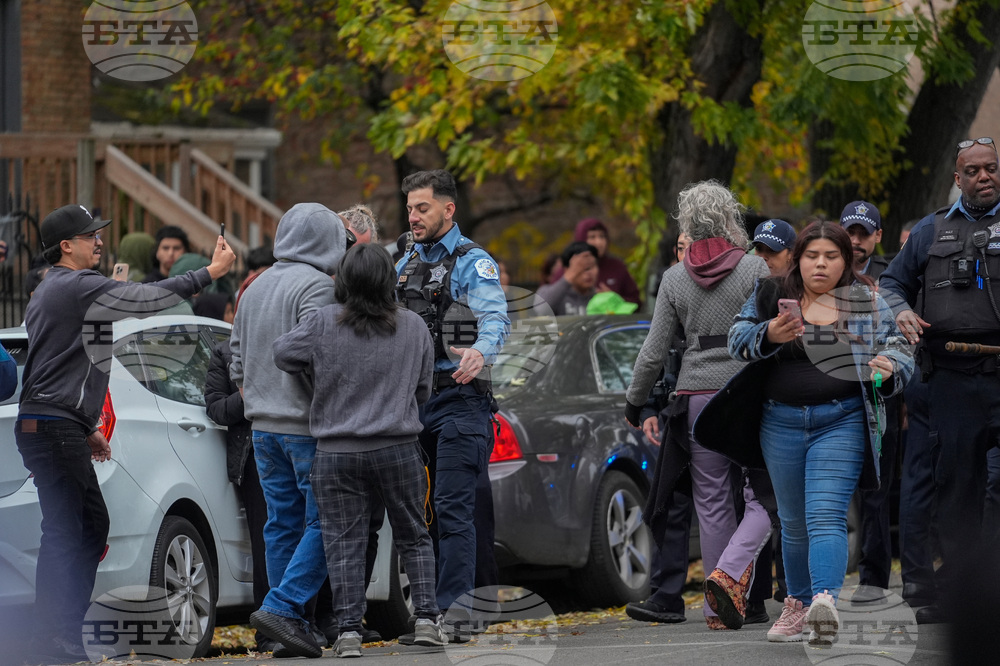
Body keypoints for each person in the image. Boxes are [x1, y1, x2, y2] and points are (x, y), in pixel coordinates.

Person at [16, 204, 234, 662]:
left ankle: (59, 633)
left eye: (99, 232)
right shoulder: (73, 285)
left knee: (89, 528)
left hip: (56, 425)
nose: (99, 240)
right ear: (65, 246)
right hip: (51, 428)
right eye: (90, 235)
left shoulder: (56, 291)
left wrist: (88, 424)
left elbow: (78, 358)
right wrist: (209, 272)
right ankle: (51, 637)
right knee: (67, 531)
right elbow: (147, 296)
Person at [717, 221, 911, 645]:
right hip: (779, 422)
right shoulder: (771, 294)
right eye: (812, 256)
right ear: (797, 258)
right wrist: (768, 333)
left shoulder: (863, 301)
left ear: (846, 261)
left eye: (831, 256)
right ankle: (798, 606)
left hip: (840, 420)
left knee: (825, 513)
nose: (821, 264)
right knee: (793, 522)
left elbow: (898, 344)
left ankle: (825, 604)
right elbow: (736, 339)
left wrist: (890, 365)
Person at [274, 244, 447, 657]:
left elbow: (283, 354)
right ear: (390, 281)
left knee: (342, 541)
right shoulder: (413, 327)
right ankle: (425, 619)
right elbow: (424, 389)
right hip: (398, 447)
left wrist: (318, 381)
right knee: (414, 535)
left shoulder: (322, 323)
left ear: (344, 281)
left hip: (336, 451)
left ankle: (349, 631)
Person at [624, 180, 770, 630]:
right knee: (762, 494)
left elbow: (653, 352)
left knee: (710, 502)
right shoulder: (754, 269)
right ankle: (734, 586)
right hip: (747, 393)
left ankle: (715, 608)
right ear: (730, 219)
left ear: (688, 224)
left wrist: (634, 401)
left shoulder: (673, 278)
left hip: (696, 397)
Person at [878, 136, 1000, 625]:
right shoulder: (931, 230)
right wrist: (902, 310)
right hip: (950, 378)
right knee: (957, 491)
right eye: (973, 171)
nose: (984, 177)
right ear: (957, 178)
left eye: (991, 168)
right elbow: (890, 282)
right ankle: (965, 593)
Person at [394, 169, 509, 635]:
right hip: (410, 403)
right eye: (409, 208)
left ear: (448, 209)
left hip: (460, 399)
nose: (414, 216)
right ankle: (429, 614)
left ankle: (457, 613)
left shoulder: (471, 261)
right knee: (419, 515)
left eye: (422, 208)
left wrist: (481, 351)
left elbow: (495, 316)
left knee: (453, 508)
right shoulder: (401, 261)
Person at [231, 203, 349, 658]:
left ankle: (287, 626)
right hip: (306, 427)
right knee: (331, 521)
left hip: (262, 427)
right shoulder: (319, 287)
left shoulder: (254, 287)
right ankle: (282, 608)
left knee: (280, 525)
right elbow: (321, 358)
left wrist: (260, 395)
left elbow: (235, 359)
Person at [203, 275, 271, 652]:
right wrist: (247, 395)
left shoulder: (293, 341)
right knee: (267, 540)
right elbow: (215, 408)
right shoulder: (225, 352)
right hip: (254, 457)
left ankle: (315, 618)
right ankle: (268, 627)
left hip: (299, 448)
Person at [838, 200, 901, 600]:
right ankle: (797, 586)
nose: (856, 241)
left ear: (878, 235)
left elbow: (901, 343)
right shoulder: (824, 273)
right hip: (834, 393)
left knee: (877, 492)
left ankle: (874, 579)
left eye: (864, 233)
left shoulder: (893, 278)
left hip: (880, 398)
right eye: (851, 232)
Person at [554, 218, 641, 306]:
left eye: (602, 236)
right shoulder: (568, 269)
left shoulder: (617, 267)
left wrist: (614, 299)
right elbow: (549, 304)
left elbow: (636, 303)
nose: (599, 242)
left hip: (612, 319)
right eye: (592, 237)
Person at [535, 242, 600, 315]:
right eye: (582, 267)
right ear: (567, 269)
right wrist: (569, 276)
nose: (589, 273)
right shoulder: (554, 294)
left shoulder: (599, 297)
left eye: (591, 267)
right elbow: (540, 311)